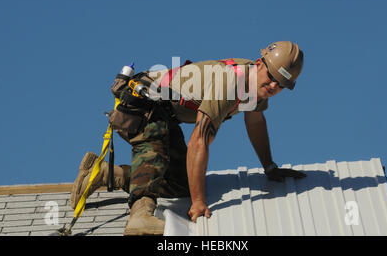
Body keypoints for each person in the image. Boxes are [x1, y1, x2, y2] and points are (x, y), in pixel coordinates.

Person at [70, 41, 306, 236]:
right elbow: (198, 141)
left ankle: (103, 174)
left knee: (180, 185)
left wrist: (270, 167)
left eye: (282, 84)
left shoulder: (257, 91)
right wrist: (198, 202)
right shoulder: (231, 83)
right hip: (144, 101)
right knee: (155, 151)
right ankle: (140, 216)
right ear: (259, 64)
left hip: (165, 112)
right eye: (272, 76)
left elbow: (255, 123)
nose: (274, 85)